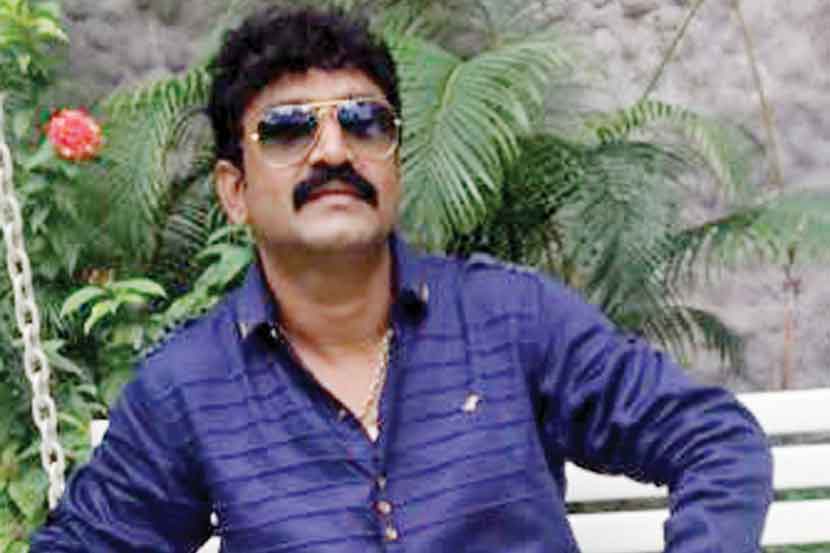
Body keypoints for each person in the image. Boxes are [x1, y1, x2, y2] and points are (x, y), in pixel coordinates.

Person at [31, 7, 772, 552]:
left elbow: (713, 440)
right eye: (288, 129)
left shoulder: (512, 319)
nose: (333, 151)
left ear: (394, 166)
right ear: (234, 191)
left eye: (365, 123)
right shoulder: (191, 387)